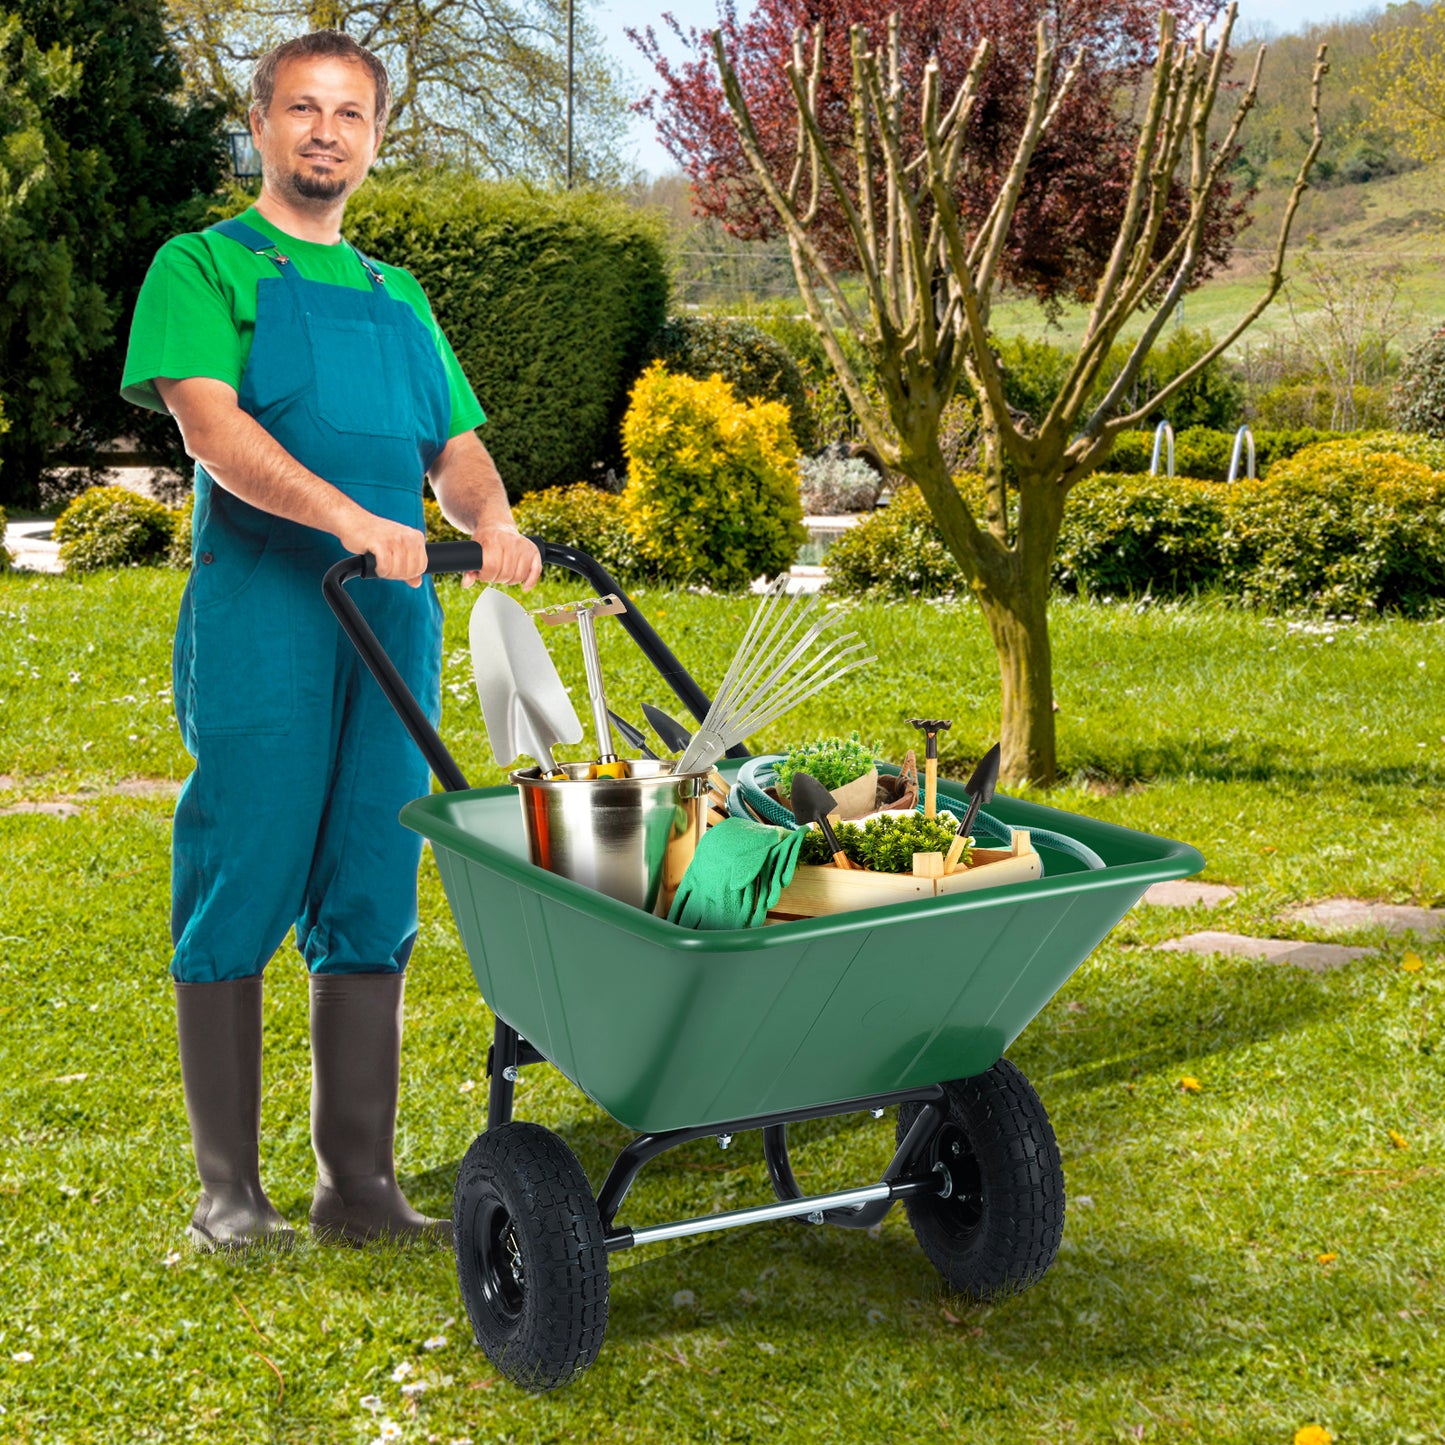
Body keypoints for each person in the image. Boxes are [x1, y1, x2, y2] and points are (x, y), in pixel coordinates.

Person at [120, 29, 541, 1252]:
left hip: (392, 618)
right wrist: (349, 518)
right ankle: (228, 1192)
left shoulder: (397, 295)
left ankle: (356, 1186)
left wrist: (492, 519)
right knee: (244, 859)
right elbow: (212, 431)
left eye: (350, 113)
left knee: (373, 872)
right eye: (302, 108)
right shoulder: (202, 265)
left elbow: (453, 448)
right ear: (259, 124)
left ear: (375, 137)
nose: (325, 132)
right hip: (267, 609)